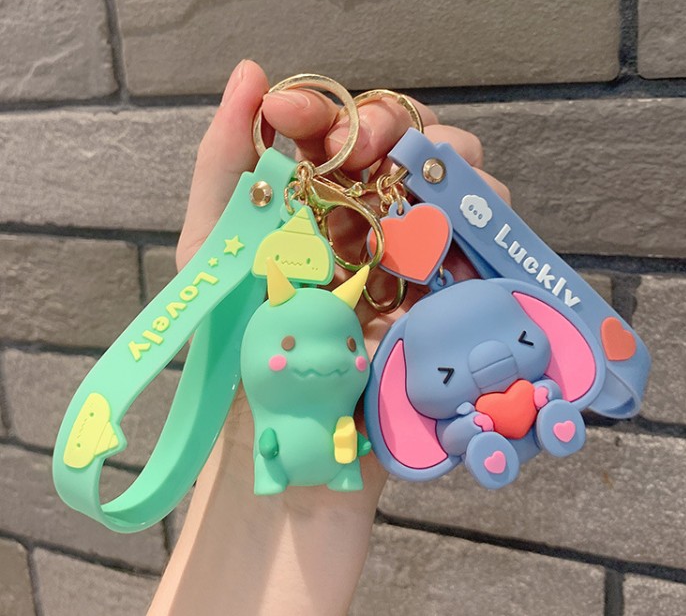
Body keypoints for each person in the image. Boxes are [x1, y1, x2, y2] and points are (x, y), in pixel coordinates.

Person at [148, 60, 510, 615]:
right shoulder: (260, 308)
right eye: (291, 347)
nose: (323, 362)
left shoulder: (361, 352)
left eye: (345, 348)